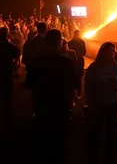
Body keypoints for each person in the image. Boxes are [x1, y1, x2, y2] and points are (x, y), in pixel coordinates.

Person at [25, 29, 79, 164]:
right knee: (60, 139)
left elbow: (29, 84)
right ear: (59, 42)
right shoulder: (66, 63)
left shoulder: (37, 62)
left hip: (42, 106)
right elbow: (74, 85)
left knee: (43, 138)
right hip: (61, 107)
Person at [85, 42, 117, 164]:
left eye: (113, 51)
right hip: (99, 103)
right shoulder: (94, 68)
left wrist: (115, 86)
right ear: (102, 52)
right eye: (109, 51)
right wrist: (91, 104)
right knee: (98, 132)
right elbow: (88, 87)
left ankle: (111, 156)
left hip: (112, 103)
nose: (112, 54)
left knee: (112, 132)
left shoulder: (116, 67)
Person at [67, 29, 87, 97]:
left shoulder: (70, 42)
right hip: (79, 62)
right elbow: (84, 52)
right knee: (79, 78)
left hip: (72, 62)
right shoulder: (82, 42)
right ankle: (78, 94)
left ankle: (72, 93)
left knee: (72, 77)